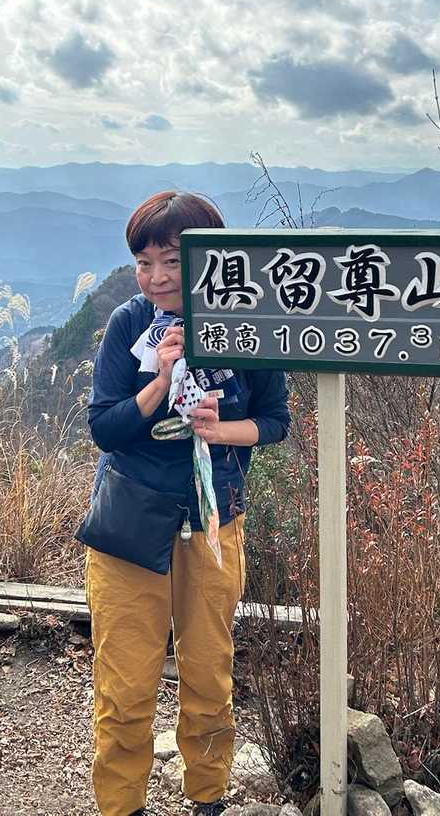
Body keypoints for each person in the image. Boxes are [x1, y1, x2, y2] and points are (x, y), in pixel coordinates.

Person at [83, 191, 290, 816]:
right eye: (144, 263)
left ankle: (208, 797)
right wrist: (158, 383)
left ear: (209, 258)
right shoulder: (129, 325)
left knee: (208, 676)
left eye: (172, 261)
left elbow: (274, 421)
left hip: (213, 517)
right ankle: (121, 806)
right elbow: (105, 427)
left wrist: (219, 430)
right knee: (124, 687)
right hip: (130, 521)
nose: (156, 277)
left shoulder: (246, 323)